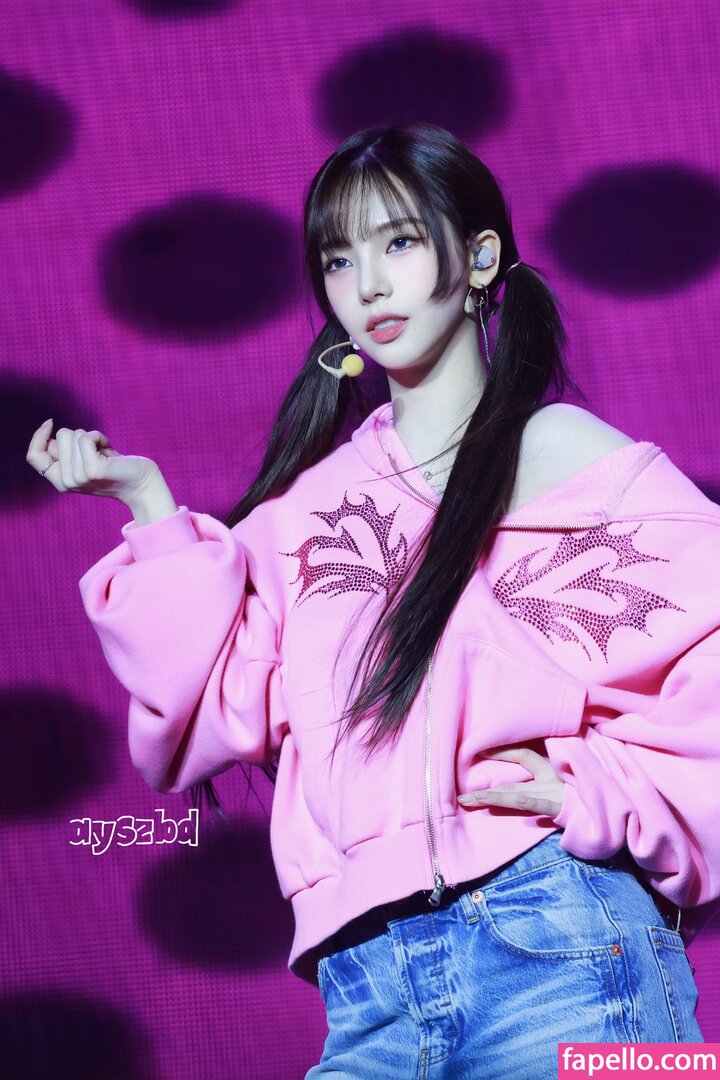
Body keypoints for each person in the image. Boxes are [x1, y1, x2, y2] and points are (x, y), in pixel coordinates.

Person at [27, 123, 718, 1078]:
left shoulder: (563, 453)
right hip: (370, 988)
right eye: (339, 259)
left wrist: (604, 793)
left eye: (399, 242)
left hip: (565, 939)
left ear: (480, 259)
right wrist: (148, 506)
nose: (369, 285)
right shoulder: (309, 512)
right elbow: (205, 707)